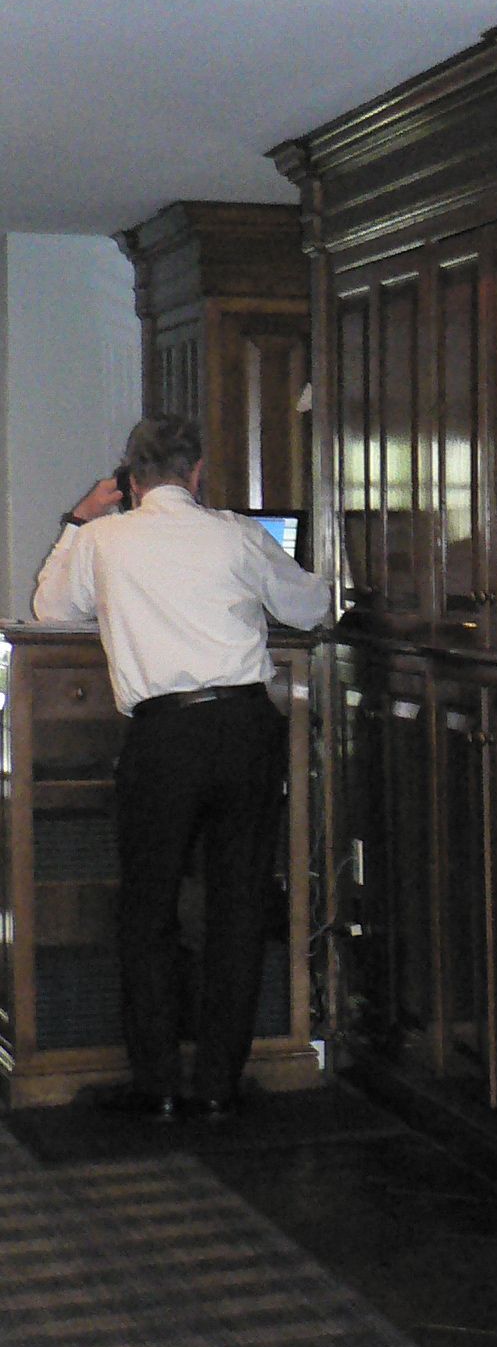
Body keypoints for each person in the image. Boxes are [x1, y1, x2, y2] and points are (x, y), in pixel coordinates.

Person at [34, 413, 330, 1119]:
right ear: (196, 473)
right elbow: (311, 607)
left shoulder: (104, 538)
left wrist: (77, 520)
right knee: (237, 906)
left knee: (148, 909)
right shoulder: (233, 533)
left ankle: (158, 1081)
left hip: (163, 737)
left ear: (130, 481)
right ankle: (219, 1087)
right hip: (242, 728)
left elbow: (48, 611)